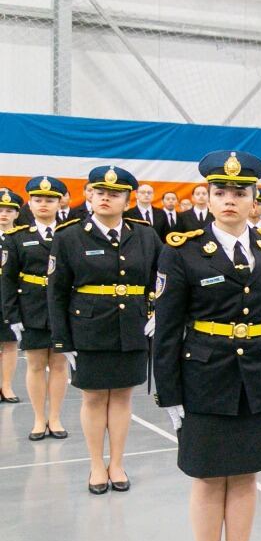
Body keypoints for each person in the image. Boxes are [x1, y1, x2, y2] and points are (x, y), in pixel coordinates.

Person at [152, 151, 261, 541]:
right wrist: (169, 392)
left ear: (255, 200)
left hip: (256, 374)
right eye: (221, 192)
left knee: (246, 477)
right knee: (210, 479)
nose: (230, 199)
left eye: (240, 193)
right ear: (209, 198)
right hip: (204, 375)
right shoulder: (183, 250)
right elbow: (167, 326)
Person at [46, 165, 159, 494]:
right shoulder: (69, 236)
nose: (107, 198)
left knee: (123, 397)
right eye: (101, 193)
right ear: (89, 196)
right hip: (89, 329)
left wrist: (158, 313)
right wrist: (61, 339)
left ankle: (117, 463)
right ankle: (97, 464)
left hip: (132, 327)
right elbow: (56, 291)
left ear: (128, 200)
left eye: (116, 194)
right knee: (94, 398)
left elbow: (163, 280)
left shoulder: (146, 235)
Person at [1, 177, 72, 440]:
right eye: (38, 200)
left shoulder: (70, 234)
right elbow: (7, 279)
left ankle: (55, 417)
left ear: (60, 202)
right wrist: (12, 315)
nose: (43, 204)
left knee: (59, 364)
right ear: (29, 204)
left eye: (50, 200)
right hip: (31, 308)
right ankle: (39, 419)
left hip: (63, 308)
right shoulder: (17, 237)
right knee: (35, 364)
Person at [0, 188, 22, 403]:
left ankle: (6, 386)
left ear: (17, 213)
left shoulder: (20, 238)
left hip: (11, 297)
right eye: (0, 210)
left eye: (9, 210)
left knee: (10, 342)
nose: (4, 214)